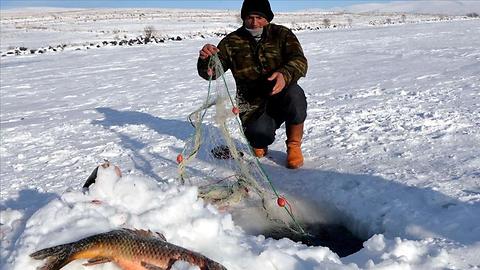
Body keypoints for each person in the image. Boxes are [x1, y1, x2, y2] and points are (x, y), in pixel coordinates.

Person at [197, 0, 308, 169]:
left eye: (259, 17)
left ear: (268, 18)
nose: (254, 22)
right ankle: (259, 142)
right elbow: (212, 73)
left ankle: (293, 146)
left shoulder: (282, 34)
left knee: (295, 95)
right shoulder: (231, 42)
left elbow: (299, 60)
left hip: (282, 94)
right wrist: (206, 60)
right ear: (243, 18)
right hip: (252, 104)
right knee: (258, 137)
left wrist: (285, 75)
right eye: (250, 17)